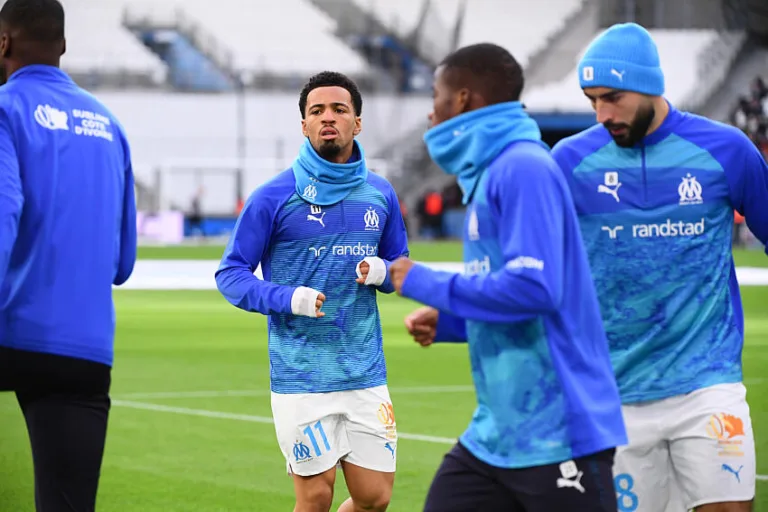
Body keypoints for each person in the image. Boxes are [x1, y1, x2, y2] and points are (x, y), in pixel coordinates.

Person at [387, 43, 627, 512]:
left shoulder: (523, 167)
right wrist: (453, 321)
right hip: (498, 435)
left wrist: (423, 281)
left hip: (558, 433)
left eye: (435, 96)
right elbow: (511, 289)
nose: (431, 112)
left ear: (461, 99)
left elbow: (534, 288)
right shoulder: (495, 171)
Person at [551, 22, 768, 512]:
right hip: (614, 395)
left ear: (650, 86)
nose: (602, 114)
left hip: (707, 383)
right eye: (592, 101)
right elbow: (538, 268)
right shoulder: (569, 162)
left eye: (613, 98)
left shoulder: (727, 150)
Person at [216, 71, 409, 512]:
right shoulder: (273, 196)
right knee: (317, 496)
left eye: (339, 109)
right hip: (300, 374)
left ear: (357, 123)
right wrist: (287, 298)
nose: (328, 118)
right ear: (304, 125)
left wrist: (381, 271)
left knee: (375, 499)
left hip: (364, 371)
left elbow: (400, 265)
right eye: (316, 111)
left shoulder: (380, 194)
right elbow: (231, 274)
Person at [0, 0, 137, 511]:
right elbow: (123, 264)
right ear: (62, 45)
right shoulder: (109, 125)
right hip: (83, 346)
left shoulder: (5, 109)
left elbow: (3, 212)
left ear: (3, 42)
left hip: (11, 330)